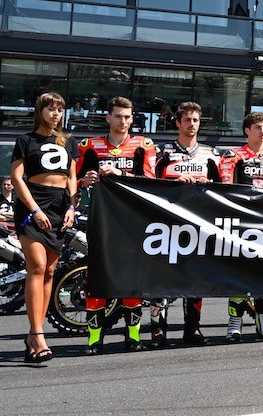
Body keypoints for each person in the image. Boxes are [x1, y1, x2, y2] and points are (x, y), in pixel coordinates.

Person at [77, 96, 156, 355]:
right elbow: (72, 183)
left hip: (133, 223)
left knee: (132, 280)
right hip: (99, 222)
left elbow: (152, 182)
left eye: (127, 116)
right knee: (96, 279)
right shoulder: (90, 146)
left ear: (132, 118)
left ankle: (133, 335)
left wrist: (122, 174)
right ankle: (94, 338)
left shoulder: (143, 145)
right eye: (118, 116)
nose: (123, 121)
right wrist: (83, 182)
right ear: (108, 118)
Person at [11, 92, 78, 362]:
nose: (56, 114)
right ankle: (39, 334)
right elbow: (17, 177)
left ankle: (33, 336)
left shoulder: (68, 142)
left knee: (49, 271)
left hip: (60, 206)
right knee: (37, 266)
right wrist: (35, 210)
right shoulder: (25, 140)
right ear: (40, 111)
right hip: (33, 205)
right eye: (51, 109)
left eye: (60, 110)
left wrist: (73, 207)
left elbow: (72, 176)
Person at [150, 101, 222, 347]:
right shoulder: (163, 152)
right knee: (161, 277)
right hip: (166, 223)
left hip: (198, 224)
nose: (192, 124)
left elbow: (223, 188)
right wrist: (174, 180)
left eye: (195, 120)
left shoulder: (211, 154)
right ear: (178, 123)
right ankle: (158, 330)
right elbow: (149, 182)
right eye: (187, 120)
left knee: (195, 277)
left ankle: (193, 328)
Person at [218, 111, 263, 341]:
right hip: (241, 222)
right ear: (247, 130)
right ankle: (234, 323)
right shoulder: (233, 155)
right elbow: (226, 186)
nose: (262, 131)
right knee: (239, 272)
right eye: (258, 127)